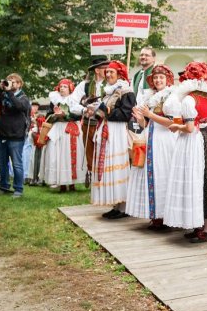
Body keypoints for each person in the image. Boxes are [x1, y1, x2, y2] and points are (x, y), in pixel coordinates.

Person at [163, 62, 207, 242]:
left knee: (196, 181)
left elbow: (189, 128)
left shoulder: (189, 99)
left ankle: (206, 227)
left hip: (195, 141)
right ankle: (205, 225)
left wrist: (175, 127)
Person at [126, 65, 179, 230]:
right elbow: (146, 124)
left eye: (161, 77)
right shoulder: (151, 97)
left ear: (168, 79)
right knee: (150, 174)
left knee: (162, 174)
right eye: (155, 78)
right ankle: (155, 214)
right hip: (151, 137)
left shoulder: (172, 96)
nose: (158, 80)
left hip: (165, 139)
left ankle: (165, 216)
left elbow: (172, 123)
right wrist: (141, 118)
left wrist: (150, 115)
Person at [89, 61, 136, 218]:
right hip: (107, 130)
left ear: (119, 74)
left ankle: (123, 206)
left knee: (117, 166)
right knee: (108, 165)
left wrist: (107, 111)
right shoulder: (109, 91)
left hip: (117, 133)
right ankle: (116, 204)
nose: (108, 74)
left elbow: (126, 114)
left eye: (112, 72)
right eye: (107, 72)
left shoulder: (126, 91)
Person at [0, 73, 32, 197]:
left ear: (19, 84)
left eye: (14, 81)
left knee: (16, 163)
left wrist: (9, 93)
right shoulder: (3, 95)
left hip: (16, 136)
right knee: (2, 162)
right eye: (9, 80)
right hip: (2, 135)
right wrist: (0, 90)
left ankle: (18, 189)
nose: (11, 83)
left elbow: (19, 106)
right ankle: (4, 186)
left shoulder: (24, 97)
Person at [42, 79, 86, 191]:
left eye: (65, 86)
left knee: (71, 154)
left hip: (71, 128)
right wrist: (56, 115)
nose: (62, 88)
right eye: (60, 86)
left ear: (70, 88)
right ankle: (61, 183)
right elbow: (48, 115)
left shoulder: (74, 99)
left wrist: (66, 116)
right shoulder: (54, 99)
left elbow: (79, 114)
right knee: (58, 155)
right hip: (58, 129)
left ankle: (72, 183)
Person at [72, 56, 110, 186]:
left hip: (106, 124)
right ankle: (94, 183)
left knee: (105, 155)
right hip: (89, 124)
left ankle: (106, 183)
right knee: (90, 155)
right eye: (106, 68)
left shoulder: (112, 84)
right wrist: (84, 110)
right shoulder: (85, 85)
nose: (109, 71)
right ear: (97, 70)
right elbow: (71, 104)